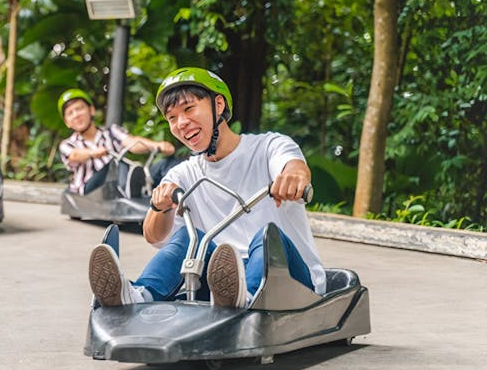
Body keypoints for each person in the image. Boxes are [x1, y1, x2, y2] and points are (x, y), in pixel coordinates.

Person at [87, 67, 326, 308]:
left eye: (189, 109)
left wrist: (293, 176)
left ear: (218, 105)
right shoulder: (183, 174)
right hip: (222, 284)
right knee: (186, 238)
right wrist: (160, 206)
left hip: (294, 281)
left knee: (266, 237)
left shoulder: (268, 146)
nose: (181, 123)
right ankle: (139, 295)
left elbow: (292, 165)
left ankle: (249, 297)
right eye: (172, 118)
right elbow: (153, 236)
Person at [57, 88, 177, 196]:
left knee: (166, 164)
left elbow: (132, 143)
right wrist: (93, 153)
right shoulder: (67, 144)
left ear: (91, 110)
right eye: (70, 113)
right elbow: (74, 156)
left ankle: (176, 196)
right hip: (90, 189)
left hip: (122, 179)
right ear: (67, 122)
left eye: (79, 109)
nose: (76, 115)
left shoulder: (112, 132)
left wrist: (158, 145)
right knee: (114, 163)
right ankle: (130, 192)